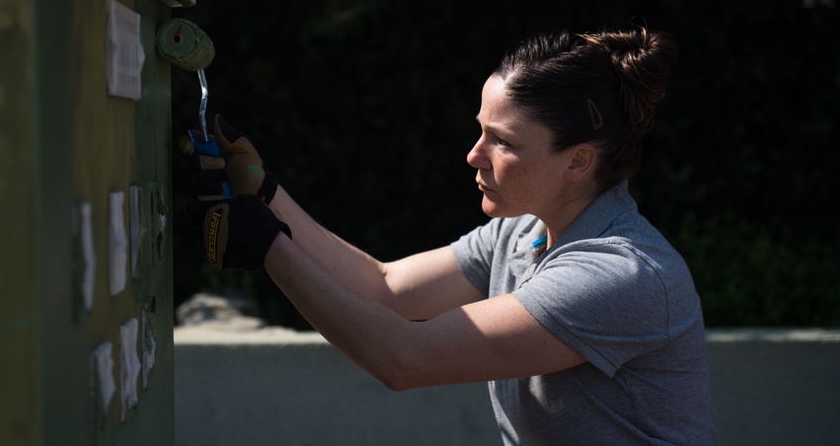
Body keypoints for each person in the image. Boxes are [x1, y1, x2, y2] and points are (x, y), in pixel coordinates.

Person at [181, 26, 716, 445]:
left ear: (578, 161)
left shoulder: (620, 274)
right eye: (479, 130)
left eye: (502, 142)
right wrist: (265, 191)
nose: (473, 155)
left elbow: (404, 358)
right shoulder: (519, 232)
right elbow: (385, 287)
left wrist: (269, 246)